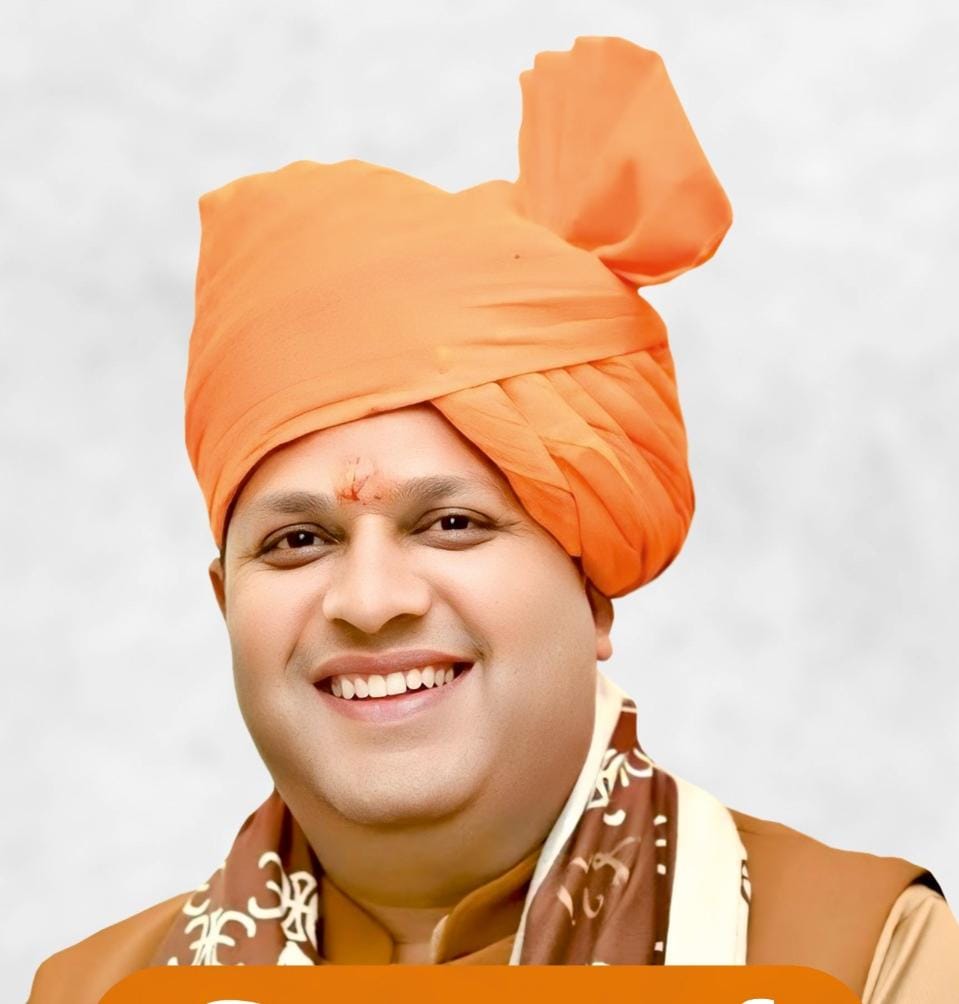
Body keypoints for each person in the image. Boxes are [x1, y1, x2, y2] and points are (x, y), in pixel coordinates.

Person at [29, 35, 959, 1004]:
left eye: (452, 525)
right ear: (225, 602)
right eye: (297, 541)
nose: (370, 601)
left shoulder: (855, 955)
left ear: (590, 589)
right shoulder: (95, 989)